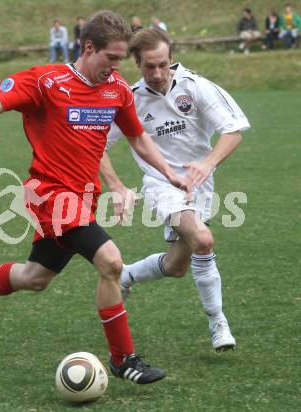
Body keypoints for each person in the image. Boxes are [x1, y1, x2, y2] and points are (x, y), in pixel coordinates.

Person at [0, 11, 190, 384]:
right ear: (89, 47)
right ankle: (123, 359)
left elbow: (136, 137)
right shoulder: (47, 81)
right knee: (112, 262)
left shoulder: (116, 89)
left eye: (121, 60)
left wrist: (168, 173)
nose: (117, 68)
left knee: (35, 277)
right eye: (111, 58)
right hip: (49, 195)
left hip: (82, 200)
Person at [101, 28, 250, 352]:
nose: (157, 73)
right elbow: (96, 144)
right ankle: (218, 322)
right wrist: (115, 185)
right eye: (148, 67)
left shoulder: (197, 88)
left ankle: (126, 276)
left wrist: (207, 163)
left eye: (162, 65)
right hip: (160, 184)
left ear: (171, 59)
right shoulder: (130, 98)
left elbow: (233, 130)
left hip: (199, 183)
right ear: (136, 64)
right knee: (203, 239)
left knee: (175, 266)